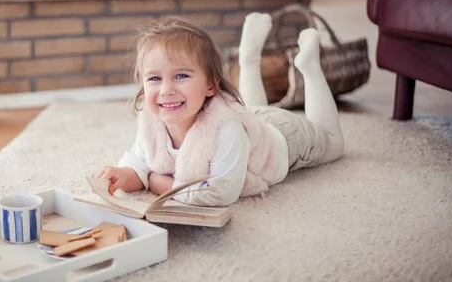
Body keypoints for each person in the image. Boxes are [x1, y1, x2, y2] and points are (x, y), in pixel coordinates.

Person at [93, 14, 344, 206]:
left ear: (211, 85)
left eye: (180, 75)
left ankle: (310, 68)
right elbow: (141, 160)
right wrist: (127, 173)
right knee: (251, 108)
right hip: (251, 119)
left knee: (333, 144)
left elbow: (222, 192)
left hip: (284, 139)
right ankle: (248, 59)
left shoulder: (227, 129)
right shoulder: (153, 120)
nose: (166, 89)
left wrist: (162, 185)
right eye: (154, 79)